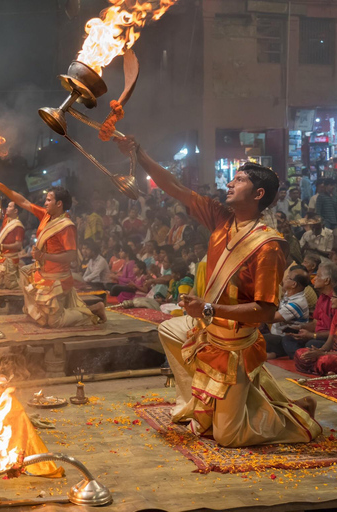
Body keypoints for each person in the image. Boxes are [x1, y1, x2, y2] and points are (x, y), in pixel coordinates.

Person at [117, 136, 320, 447]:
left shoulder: (268, 245)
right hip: (208, 328)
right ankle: (206, 401)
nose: (230, 183)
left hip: (235, 343)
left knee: (228, 436)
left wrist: (209, 310)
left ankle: (295, 414)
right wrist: (139, 152)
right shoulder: (222, 219)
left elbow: (265, 312)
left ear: (258, 194)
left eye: (239, 180)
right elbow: (176, 188)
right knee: (170, 330)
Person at [0, 181, 106, 326]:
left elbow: (71, 256)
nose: (45, 203)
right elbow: (23, 201)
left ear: (59, 204)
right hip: (41, 272)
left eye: (49, 200)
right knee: (25, 272)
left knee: (55, 322)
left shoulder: (66, 226)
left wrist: (44, 256)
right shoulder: (46, 215)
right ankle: (36, 312)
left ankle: (94, 309)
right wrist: (0, 186)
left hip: (58, 279)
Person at [263, 268, 310, 359]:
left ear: (294, 284)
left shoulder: (298, 303)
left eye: (288, 277)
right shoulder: (289, 294)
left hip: (285, 339)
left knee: (254, 338)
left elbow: (271, 318)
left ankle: (277, 354)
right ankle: (274, 354)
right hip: (277, 335)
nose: (284, 279)